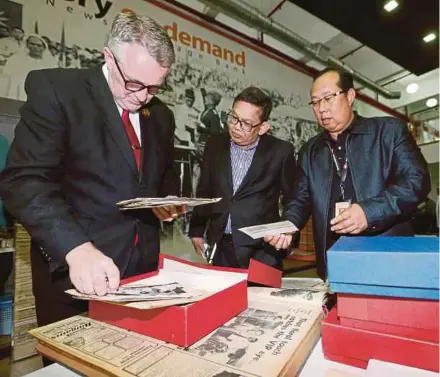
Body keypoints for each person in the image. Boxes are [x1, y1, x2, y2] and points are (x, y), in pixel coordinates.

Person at [0, 10, 185, 342]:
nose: (143, 96)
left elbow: (164, 172)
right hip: (77, 271)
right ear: (109, 58)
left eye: (155, 87)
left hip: (142, 273)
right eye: (134, 83)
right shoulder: (58, 90)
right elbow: (24, 180)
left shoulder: (158, 114)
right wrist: (76, 248)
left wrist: (167, 198)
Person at [265, 67, 431, 280]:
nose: (321, 109)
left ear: (350, 96)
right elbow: (299, 199)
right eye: (315, 102)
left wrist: (369, 212)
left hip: (387, 257)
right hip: (334, 260)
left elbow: (417, 181)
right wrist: (288, 226)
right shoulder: (311, 151)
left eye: (328, 98)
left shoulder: (388, 131)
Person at [188, 86, 298, 269]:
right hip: (221, 245)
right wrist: (197, 230)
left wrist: (288, 234)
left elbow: (292, 199)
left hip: (263, 251)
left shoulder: (281, 151)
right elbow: (205, 188)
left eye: (246, 123)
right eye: (233, 118)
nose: (236, 127)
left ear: (262, 127)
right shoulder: (214, 144)